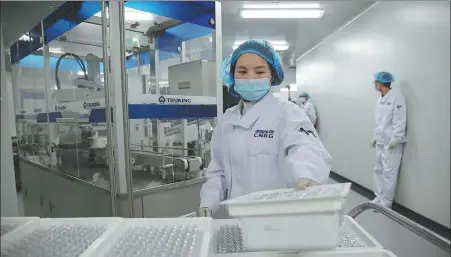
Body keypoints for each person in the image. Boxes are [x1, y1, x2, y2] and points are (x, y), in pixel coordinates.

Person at [199, 40, 332, 217]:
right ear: (233, 75)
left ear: (271, 76)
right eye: (242, 71)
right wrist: (208, 202)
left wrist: (306, 176)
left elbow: (304, 148)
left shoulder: (288, 113)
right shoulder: (227, 119)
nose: (250, 78)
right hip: (234, 219)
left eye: (259, 71)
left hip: (276, 222)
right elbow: (218, 172)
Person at [371, 71, 406, 209]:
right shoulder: (380, 99)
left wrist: (397, 137)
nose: (374, 85)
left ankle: (386, 202)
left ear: (380, 83)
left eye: (375, 82)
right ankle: (378, 197)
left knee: (389, 172)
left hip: (392, 142)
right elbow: (380, 122)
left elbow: (400, 119)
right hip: (381, 140)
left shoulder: (396, 98)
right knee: (378, 169)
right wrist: (375, 136)